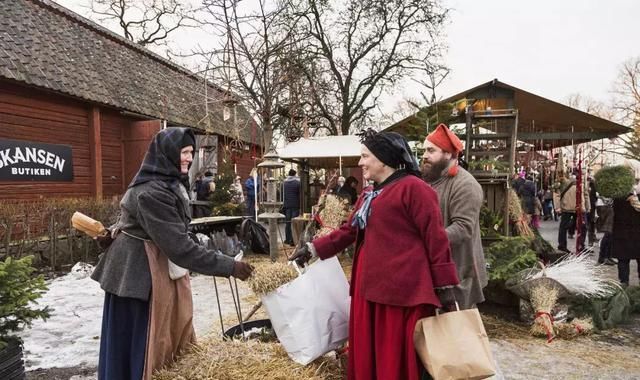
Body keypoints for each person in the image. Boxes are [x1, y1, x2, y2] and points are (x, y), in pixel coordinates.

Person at [290, 129, 459, 380]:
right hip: (367, 292)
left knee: (394, 359)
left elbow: (436, 239)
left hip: (400, 297)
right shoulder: (370, 194)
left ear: (383, 158)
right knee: (369, 357)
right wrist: (314, 249)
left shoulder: (415, 189)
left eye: (365, 156)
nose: (360, 163)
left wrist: (445, 287)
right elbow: (349, 231)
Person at [91, 127, 253, 380]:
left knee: (167, 331)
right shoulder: (152, 191)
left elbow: (137, 221)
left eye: (191, 152)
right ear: (166, 153)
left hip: (156, 265)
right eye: (184, 152)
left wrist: (113, 231)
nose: (189, 157)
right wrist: (229, 266)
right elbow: (180, 247)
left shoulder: (169, 182)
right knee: (141, 341)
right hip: (138, 278)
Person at [421, 123, 488, 309]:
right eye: (424, 150)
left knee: (458, 332)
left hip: (460, 273)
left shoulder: (465, 185)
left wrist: (423, 240)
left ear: (448, 154)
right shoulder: (430, 181)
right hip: (435, 270)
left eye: (431, 150)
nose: (424, 155)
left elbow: (462, 229)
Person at [554, 174, 590, 253]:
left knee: (564, 227)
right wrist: (587, 207)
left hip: (568, 207)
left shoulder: (564, 183)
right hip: (578, 208)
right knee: (583, 227)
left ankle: (562, 245)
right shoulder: (581, 183)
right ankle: (581, 245)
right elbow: (585, 195)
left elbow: (557, 195)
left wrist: (557, 207)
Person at [612, 190, 640, 287]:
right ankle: (624, 283)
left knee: (623, 259)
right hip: (633, 233)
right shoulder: (620, 199)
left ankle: (624, 283)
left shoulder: (618, 198)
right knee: (625, 259)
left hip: (622, 233)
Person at [283, 169, 301, 246]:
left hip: (287, 205)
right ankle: (293, 240)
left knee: (288, 222)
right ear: (294, 174)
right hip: (295, 205)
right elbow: (299, 194)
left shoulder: (284, 183)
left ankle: (287, 239)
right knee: (294, 223)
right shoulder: (297, 183)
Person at [595, 196, 615, 265]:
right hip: (604, 206)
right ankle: (603, 257)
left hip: (606, 205)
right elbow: (598, 192)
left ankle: (607, 256)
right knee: (608, 233)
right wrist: (605, 199)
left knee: (610, 233)